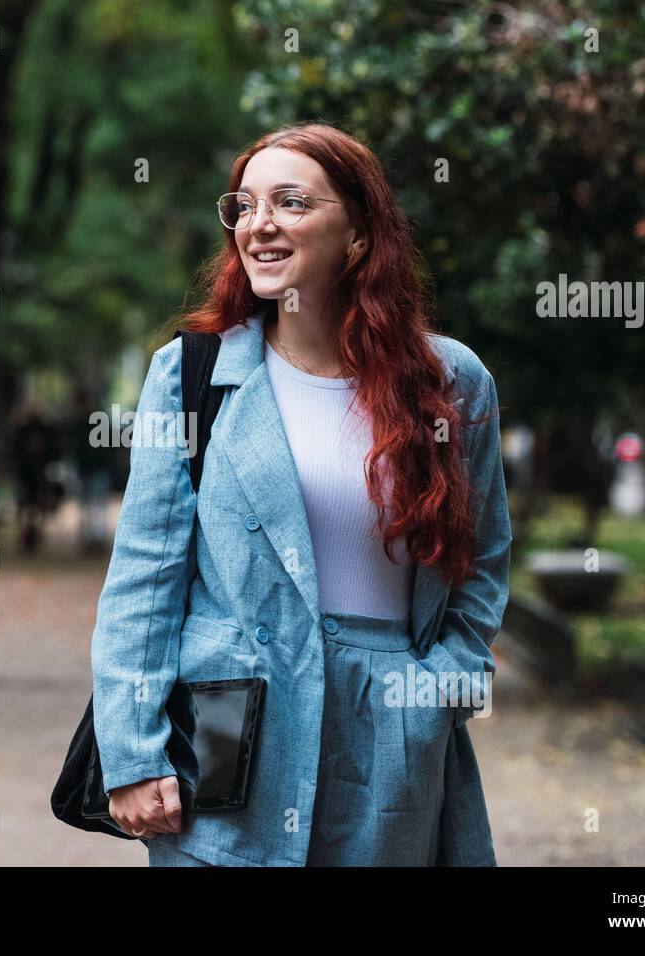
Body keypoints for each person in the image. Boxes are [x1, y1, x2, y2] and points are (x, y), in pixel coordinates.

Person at [90, 122, 512, 866]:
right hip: (229, 720)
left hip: (390, 721)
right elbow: (145, 579)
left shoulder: (450, 382)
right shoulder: (189, 376)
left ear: (358, 234)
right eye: (245, 205)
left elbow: (480, 560)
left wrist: (440, 688)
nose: (260, 223)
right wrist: (132, 753)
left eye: (291, 202)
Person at [67, 387, 116, 553]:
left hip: (98, 470)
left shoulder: (96, 421)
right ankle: (89, 539)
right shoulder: (78, 423)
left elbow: (110, 445)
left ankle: (97, 539)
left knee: (97, 506)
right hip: (85, 470)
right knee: (86, 506)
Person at [11, 400, 62, 553]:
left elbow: (55, 449)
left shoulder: (46, 430)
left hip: (40, 474)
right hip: (25, 474)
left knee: (38, 505)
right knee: (25, 505)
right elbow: (14, 450)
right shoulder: (22, 430)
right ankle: (26, 535)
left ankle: (36, 534)